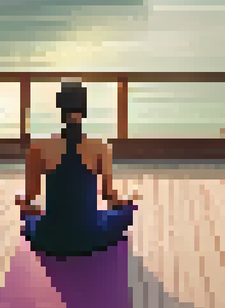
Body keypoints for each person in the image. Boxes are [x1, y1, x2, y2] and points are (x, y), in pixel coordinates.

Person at [15, 82, 138, 259]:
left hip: (51, 238)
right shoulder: (101, 147)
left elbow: (31, 195)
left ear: (60, 111)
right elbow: (109, 195)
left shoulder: (38, 147)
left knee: (29, 215)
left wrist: (24, 203)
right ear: (84, 111)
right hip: (90, 237)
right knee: (127, 210)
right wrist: (125, 203)